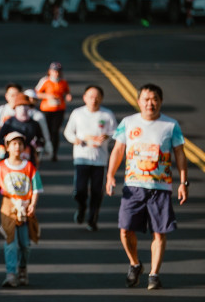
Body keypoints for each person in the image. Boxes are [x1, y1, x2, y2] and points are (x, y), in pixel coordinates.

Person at [106, 84, 188, 290]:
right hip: (133, 186)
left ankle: (154, 274)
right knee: (125, 230)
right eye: (146, 99)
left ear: (160, 101)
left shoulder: (171, 125)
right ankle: (135, 264)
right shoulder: (128, 122)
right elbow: (118, 150)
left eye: (154, 99)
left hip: (160, 187)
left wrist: (183, 182)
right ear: (138, 101)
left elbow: (180, 153)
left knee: (159, 233)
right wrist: (110, 175)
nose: (150, 103)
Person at [0, 132, 42, 287]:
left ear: (24, 147)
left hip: (25, 208)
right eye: (13, 144)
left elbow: (36, 188)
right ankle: (11, 274)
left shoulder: (29, 167)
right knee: (10, 241)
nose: (17, 147)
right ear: (7, 147)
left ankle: (22, 269)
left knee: (25, 244)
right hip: (8, 206)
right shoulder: (1, 167)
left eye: (20, 144)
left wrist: (32, 205)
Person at [63, 85, 117, 231]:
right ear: (84, 98)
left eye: (97, 97)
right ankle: (82, 207)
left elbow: (116, 133)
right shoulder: (78, 113)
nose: (94, 100)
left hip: (100, 159)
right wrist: (76, 139)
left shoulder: (107, 115)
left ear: (101, 98)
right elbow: (68, 132)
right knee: (80, 190)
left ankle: (92, 219)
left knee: (96, 191)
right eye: (91, 97)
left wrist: (107, 136)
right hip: (82, 157)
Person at [35, 61, 72, 162]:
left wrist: (68, 96)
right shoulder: (45, 81)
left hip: (59, 110)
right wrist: (47, 96)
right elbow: (36, 93)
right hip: (46, 110)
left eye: (58, 71)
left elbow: (67, 91)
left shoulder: (63, 82)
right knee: (45, 130)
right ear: (50, 71)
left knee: (55, 131)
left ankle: (54, 153)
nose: (56, 73)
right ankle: (42, 150)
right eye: (54, 71)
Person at [0, 93, 45, 167]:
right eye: (20, 106)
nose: (23, 108)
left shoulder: (34, 124)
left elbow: (41, 140)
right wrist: (11, 143)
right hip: (11, 159)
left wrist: (35, 144)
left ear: (29, 107)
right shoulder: (9, 122)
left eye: (25, 105)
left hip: (29, 159)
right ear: (15, 108)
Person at [0, 82, 22, 161]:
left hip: (20, 147)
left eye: (17, 95)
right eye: (12, 95)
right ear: (6, 96)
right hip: (3, 146)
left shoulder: (25, 111)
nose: (14, 98)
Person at [24, 88, 53, 160]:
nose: (31, 100)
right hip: (21, 144)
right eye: (28, 98)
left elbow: (44, 130)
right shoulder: (17, 112)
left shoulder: (39, 115)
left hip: (35, 145)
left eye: (33, 99)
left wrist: (48, 144)